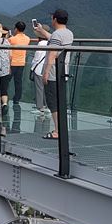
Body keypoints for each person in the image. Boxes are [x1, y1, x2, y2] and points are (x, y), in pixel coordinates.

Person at [34, 9, 74, 139]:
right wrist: (41, 31)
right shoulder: (68, 33)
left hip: (53, 74)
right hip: (64, 72)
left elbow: (51, 54)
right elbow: (53, 39)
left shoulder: (57, 35)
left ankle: (57, 130)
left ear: (55, 19)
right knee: (60, 102)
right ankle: (61, 128)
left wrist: (45, 73)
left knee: (53, 103)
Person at [8, 21, 31, 105]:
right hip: (21, 63)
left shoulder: (12, 39)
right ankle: (17, 98)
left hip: (12, 63)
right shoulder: (27, 39)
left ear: (16, 29)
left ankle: (4, 97)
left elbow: (8, 43)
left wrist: (9, 37)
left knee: (6, 81)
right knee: (18, 82)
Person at [30, 39, 48, 115]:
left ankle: (40, 107)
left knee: (39, 88)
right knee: (45, 89)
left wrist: (32, 65)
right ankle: (46, 106)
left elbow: (37, 57)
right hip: (47, 68)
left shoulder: (41, 44)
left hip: (39, 68)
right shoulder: (50, 42)